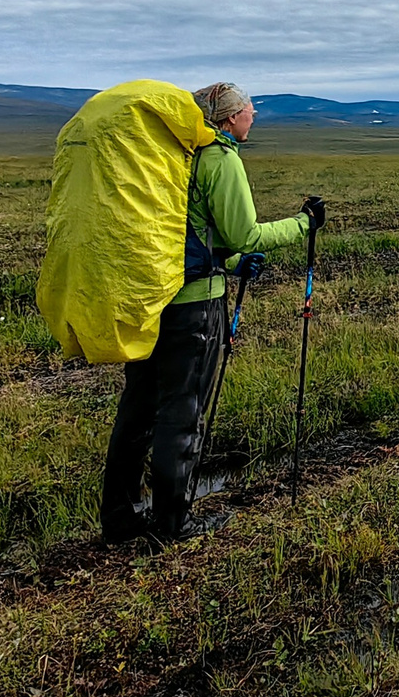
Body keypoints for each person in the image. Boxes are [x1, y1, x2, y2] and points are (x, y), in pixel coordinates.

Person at [101, 81, 324, 543]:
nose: (254, 113)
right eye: (247, 107)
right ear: (228, 118)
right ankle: (172, 524)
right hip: (195, 305)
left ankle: (119, 519)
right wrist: (304, 224)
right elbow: (246, 236)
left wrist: (232, 261)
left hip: (151, 298)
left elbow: (191, 232)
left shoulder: (174, 157)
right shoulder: (220, 160)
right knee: (181, 413)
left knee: (137, 410)